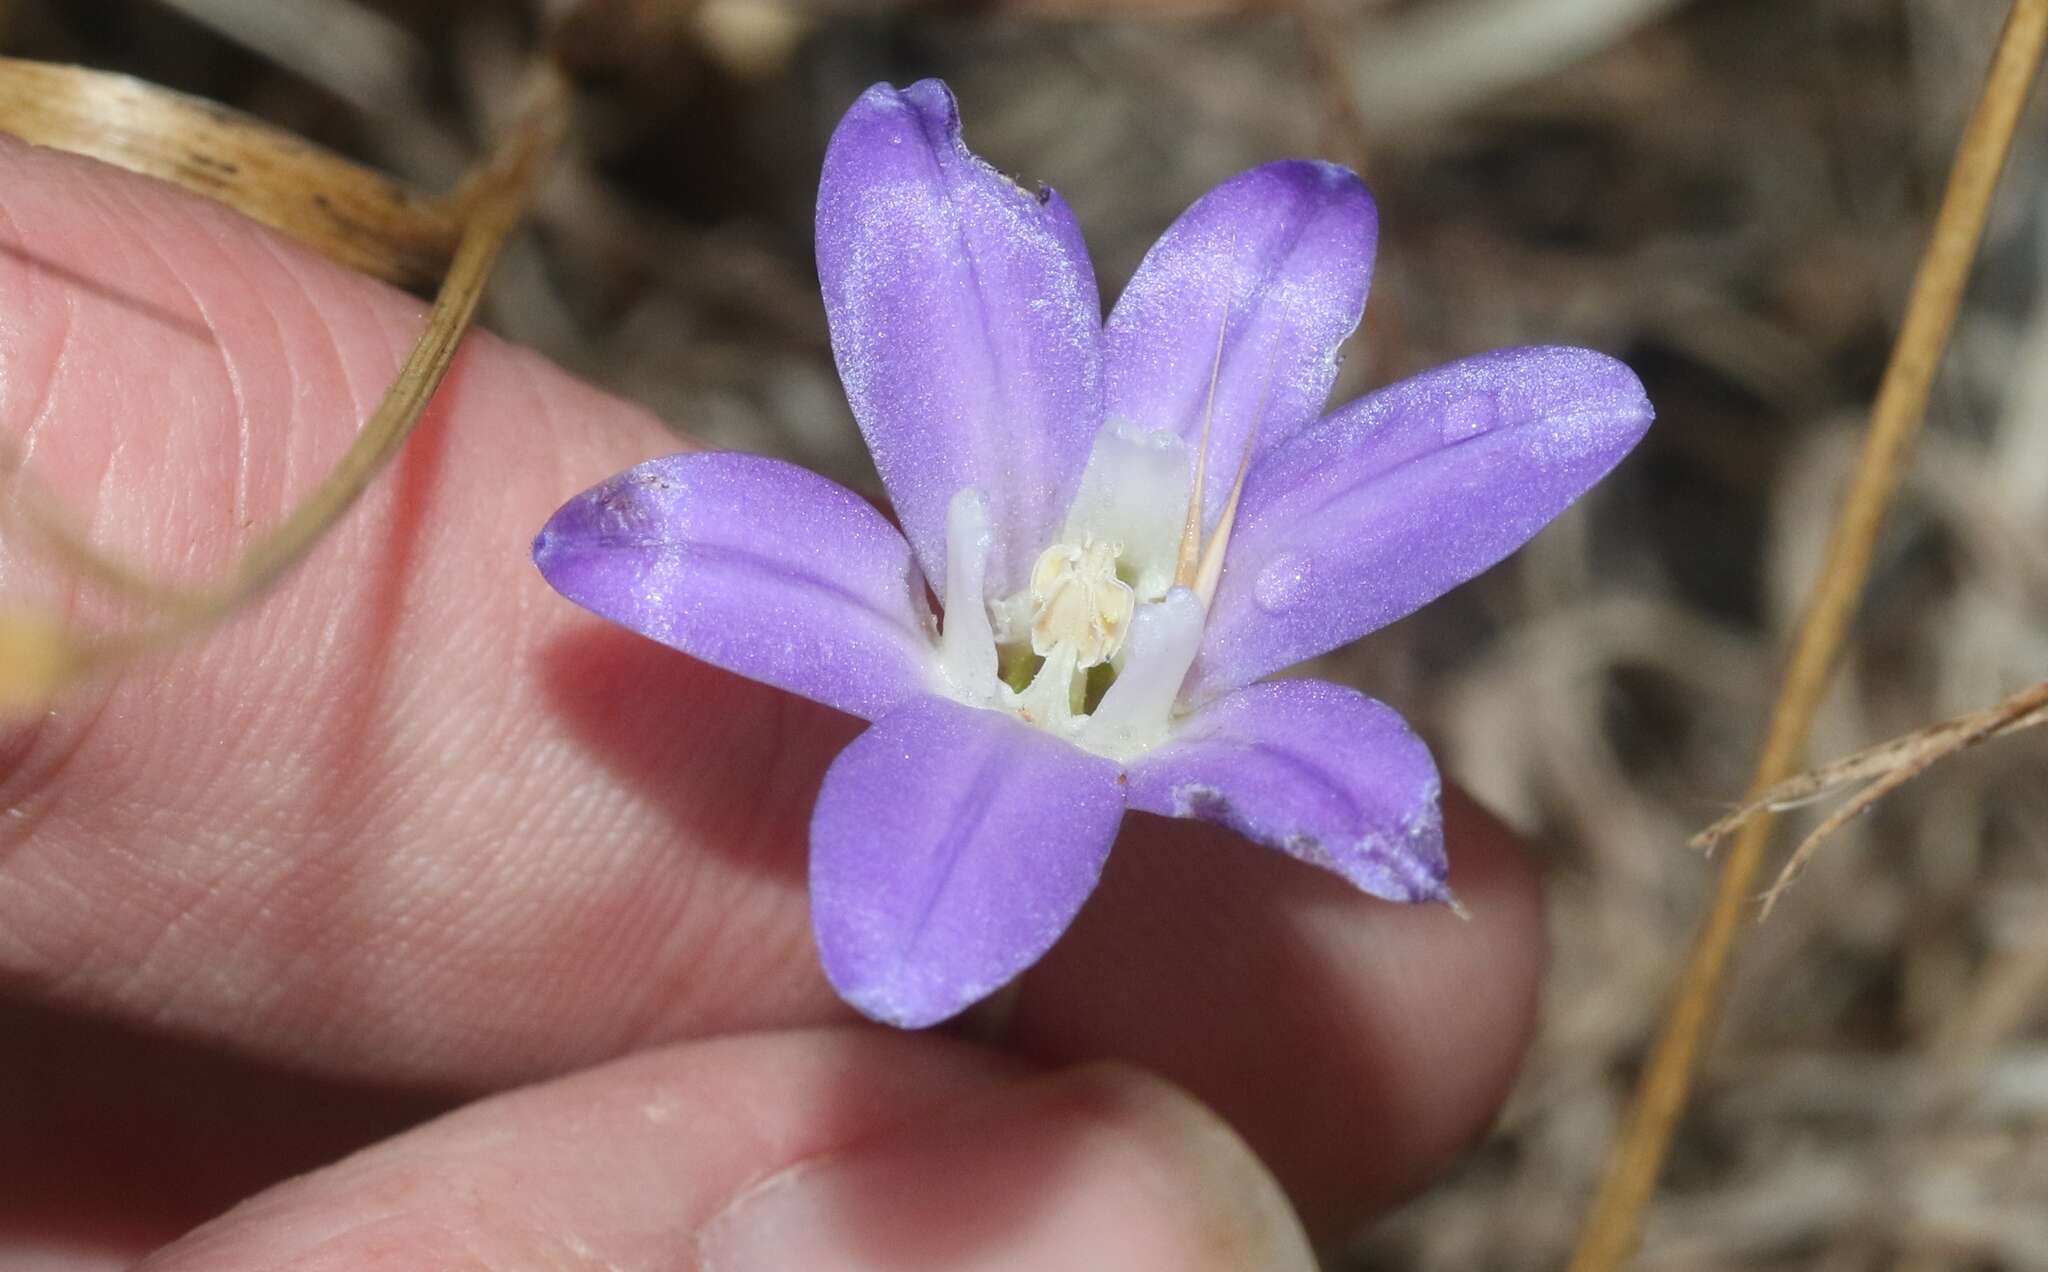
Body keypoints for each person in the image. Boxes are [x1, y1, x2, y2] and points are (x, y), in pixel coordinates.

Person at [0, 132, 1545, 1270]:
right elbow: (643, 543)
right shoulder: (875, 617)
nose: (1082, 615)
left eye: (1107, 618)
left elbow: (1344, 268)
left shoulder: (1278, 749)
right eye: (1065, 618)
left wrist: (1362, 832)